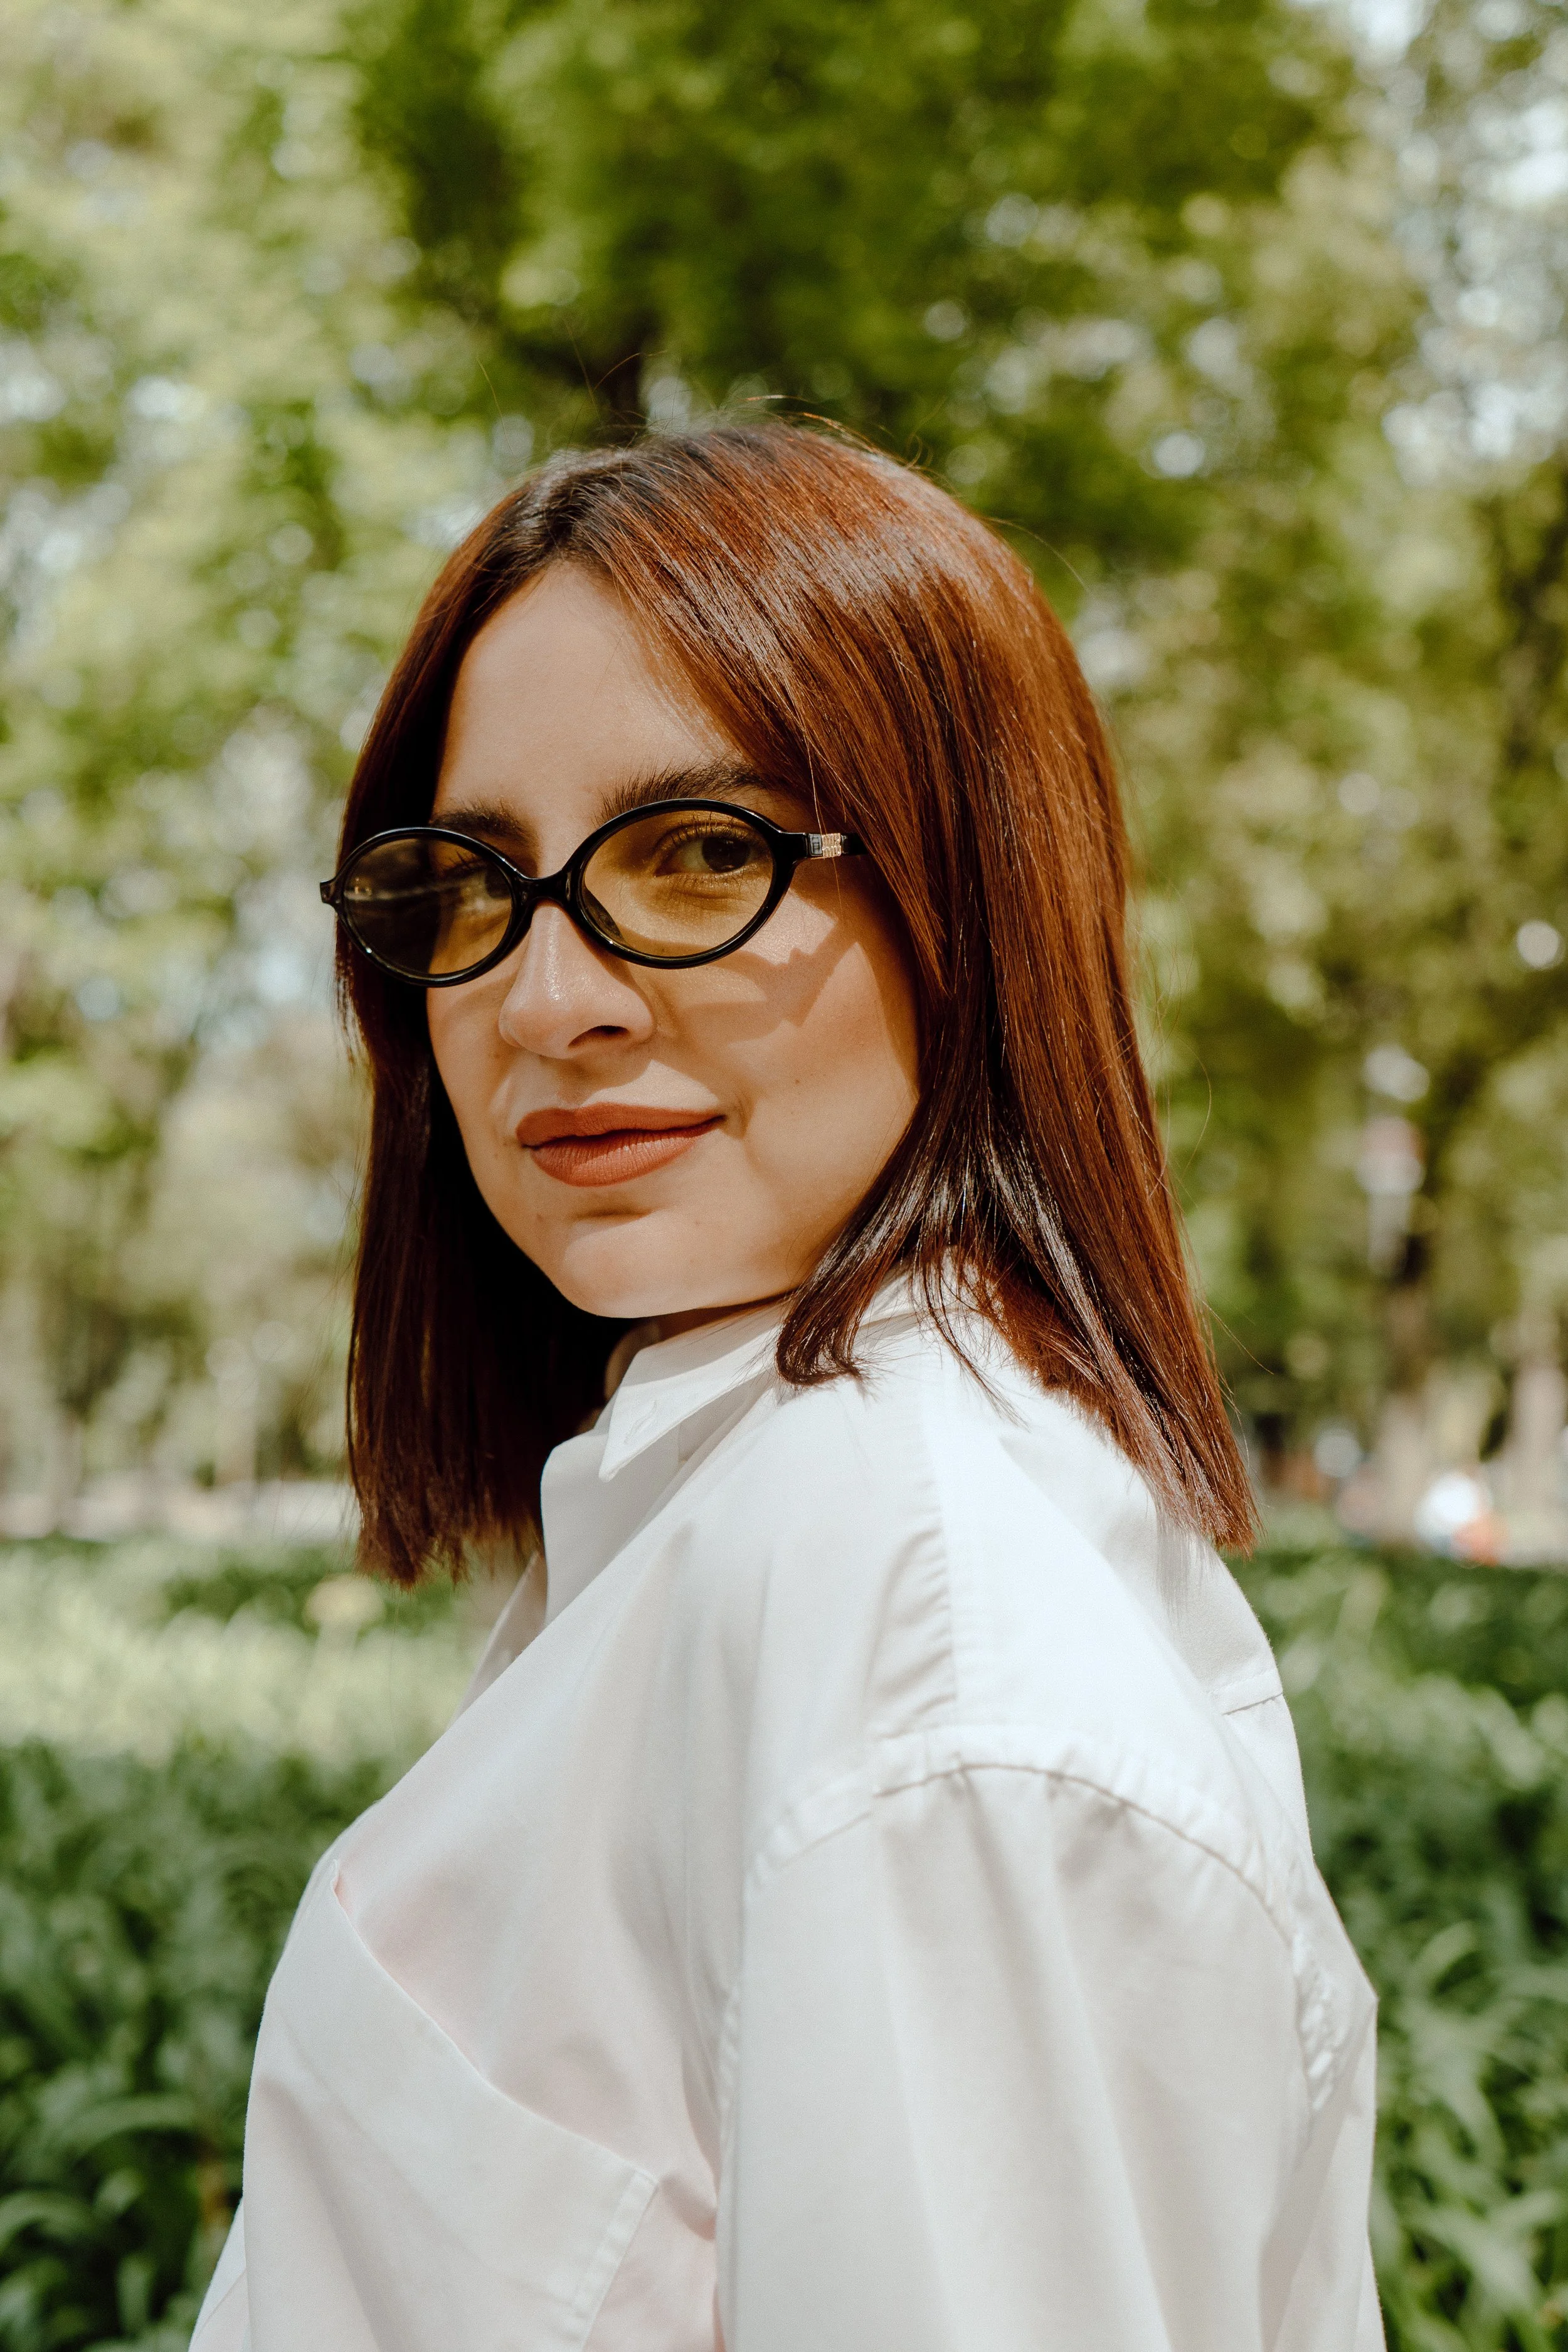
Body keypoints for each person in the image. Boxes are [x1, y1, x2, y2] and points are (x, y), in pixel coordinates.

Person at [191, 423, 1381, 2352]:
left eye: (698, 854)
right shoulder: (723, 1517)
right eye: (473, 879)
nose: (551, 993)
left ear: (968, 900)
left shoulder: (917, 1638)